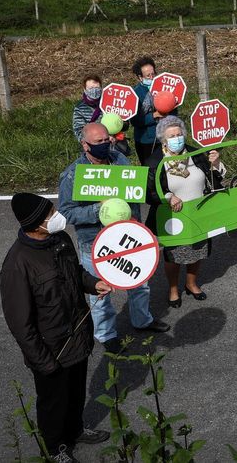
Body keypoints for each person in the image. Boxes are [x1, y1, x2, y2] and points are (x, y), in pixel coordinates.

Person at [0, 193, 110, 462]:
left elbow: (76, 274)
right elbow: (20, 324)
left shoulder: (60, 240)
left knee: (75, 393)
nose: (56, 216)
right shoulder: (17, 264)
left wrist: (93, 283)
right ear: (36, 224)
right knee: (52, 403)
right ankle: (54, 447)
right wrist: (43, 362)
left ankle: (75, 430)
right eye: (49, 214)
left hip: (77, 336)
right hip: (51, 351)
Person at [58, 122, 170, 346]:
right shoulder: (73, 175)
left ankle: (142, 319)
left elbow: (134, 192)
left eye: (107, 139)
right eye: (98, 142)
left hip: (129, 236)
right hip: (95, 242)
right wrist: (99, 210)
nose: (105, 143)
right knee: (99, 293)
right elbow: (66, 212)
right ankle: (106, 334)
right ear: (85, 145)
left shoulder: (120, 160)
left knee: (140, 281)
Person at [144, 116, 225, 307]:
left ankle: (191, 283)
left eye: (179, 134)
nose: (177, 138)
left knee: (198, 250)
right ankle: (173, 289)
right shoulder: (155, 161)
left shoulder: (196, 154)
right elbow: (148, 191)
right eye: (172, 136)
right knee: (174, 256)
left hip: (199, 212)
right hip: (172, 216)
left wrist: (215, 164)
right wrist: (168, 197)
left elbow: (214, 182)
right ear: (164, 139)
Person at [130, 56, 173, 164]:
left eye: (153, 74)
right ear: (140, 77)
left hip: (166, 137)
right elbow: (135, 121)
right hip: (146, 140)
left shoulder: (164, 87)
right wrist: (154, 116)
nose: (152, 77)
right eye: (148, 76)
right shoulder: (136, 93)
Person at [71, 75, 103, 142]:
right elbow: (78, 130)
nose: (94, 90)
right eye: (91, 88)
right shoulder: (80, 108)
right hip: (91, 145)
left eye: (97, 87)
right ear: (85, 89)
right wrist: (91, 142)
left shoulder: (107, 104)